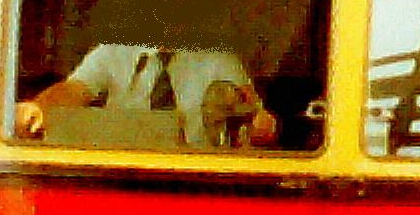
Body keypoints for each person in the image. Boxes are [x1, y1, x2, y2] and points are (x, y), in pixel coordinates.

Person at [16, 42, 279, 147]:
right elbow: (74, 90)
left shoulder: (220, 61)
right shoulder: (109, 53)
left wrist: (260, 125)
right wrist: (38, 108)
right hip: (121, 176)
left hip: (196, 180)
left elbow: (252, 113)